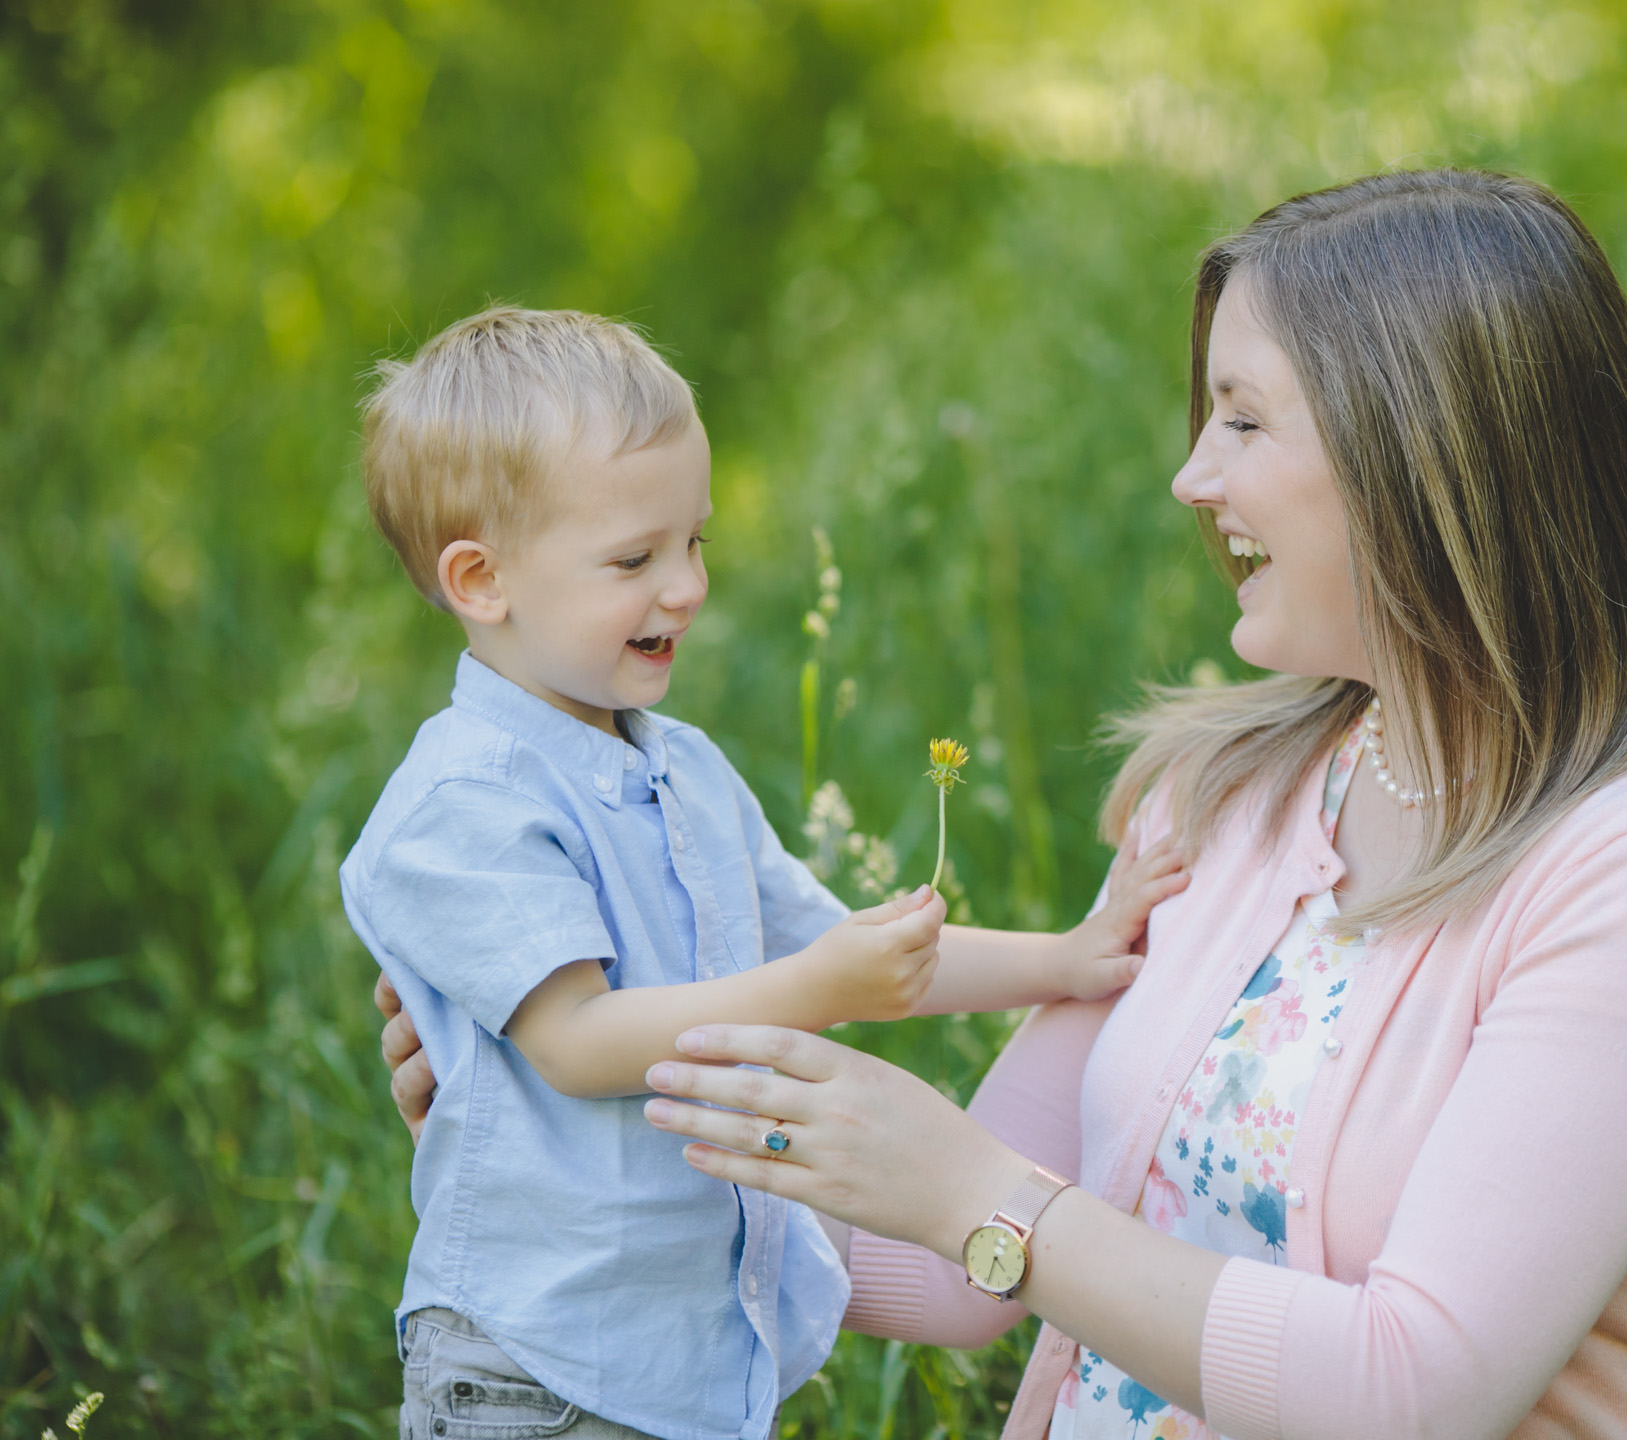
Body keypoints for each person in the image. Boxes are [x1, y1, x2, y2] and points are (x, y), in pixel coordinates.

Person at [380, 168, 1627, 1439]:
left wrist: (974, 1195)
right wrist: (565, 1141)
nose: (1194, 477)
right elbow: (951, 1274)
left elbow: (1415, 1390)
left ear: (1424, 456)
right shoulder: (1228, 802)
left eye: (1245, 420)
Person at [347, 307, 1186, 1440]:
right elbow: (579, 1044)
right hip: (535, 1369)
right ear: (481, 580)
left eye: (694, 541)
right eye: (633, 559)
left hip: (687, 1352)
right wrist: (823, 990)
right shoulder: (466, 803)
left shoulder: (679, 768)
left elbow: (831, 940)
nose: (685, 586)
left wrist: (1071, 961)